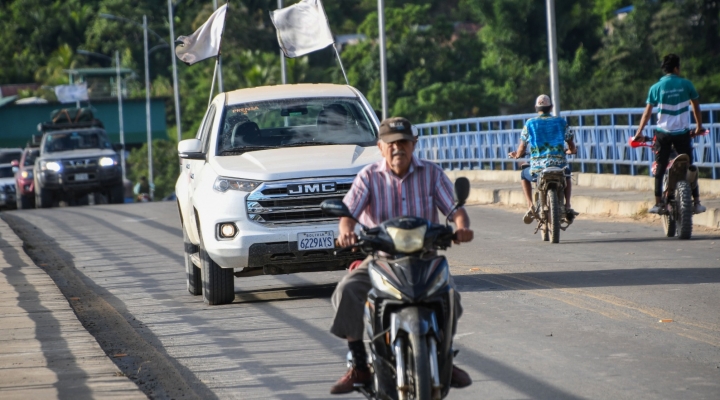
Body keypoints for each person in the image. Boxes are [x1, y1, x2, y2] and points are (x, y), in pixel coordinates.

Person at [329, 117, 474, 394]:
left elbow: (455, 209)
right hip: (381, 258)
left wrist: (461, 227)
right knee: (347, 290)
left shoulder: (431, 173)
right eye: (392, 143)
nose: (398, 148)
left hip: (425, 257)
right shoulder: (369, 176)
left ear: (414, 144)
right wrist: (346, 232)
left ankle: (444, 359)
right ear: (381, 147)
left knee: (450, 296)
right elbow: (349, 214)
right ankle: (359, 365)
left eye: (404, 142)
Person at [632, 54, 706, 214]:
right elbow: (696, 108)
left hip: (663, 134)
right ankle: (697, 202)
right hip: (682, 134)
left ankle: (658, 203)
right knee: (690, 166)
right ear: (676, 68)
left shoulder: (655, 88)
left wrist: (639, 132)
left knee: (660, 167)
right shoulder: (686, 84)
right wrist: (699, 127)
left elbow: (647, 113)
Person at [508, 95, 577, 224]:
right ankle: (567, 205)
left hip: (538, 169)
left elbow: (522, 148)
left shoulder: (530, 123)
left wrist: (517, 155)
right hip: (559, 166)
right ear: (551, 107)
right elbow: (571, 145)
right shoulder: (561, 122)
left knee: (523, 174)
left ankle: (530, 206)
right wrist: (571, 151)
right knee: (567, 173)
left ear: (536, 108)